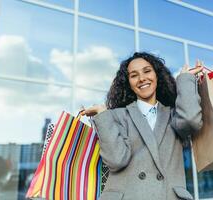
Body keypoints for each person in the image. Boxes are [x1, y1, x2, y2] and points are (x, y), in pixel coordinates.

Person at [81, 52, 203, 200]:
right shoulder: (116, 116)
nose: (142, 78)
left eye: (147, 71)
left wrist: (185, 80)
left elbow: (191, 120)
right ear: (129, 84)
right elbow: (116, 160)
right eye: (134, 75)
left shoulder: (174, 115)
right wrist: (102, 114)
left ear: (157, 76)